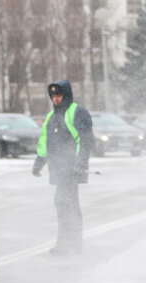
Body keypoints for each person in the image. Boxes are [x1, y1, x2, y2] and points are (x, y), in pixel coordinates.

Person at [32, 79, 93, 255]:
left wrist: (80, 163)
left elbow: (85, 139)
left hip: (72, 169)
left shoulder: (76, 112)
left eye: (59, 95)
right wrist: (39, 162)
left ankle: (73, 244)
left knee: (68, 204)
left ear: (66, 95)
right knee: (62, 204)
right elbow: (45, 142)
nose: (56, 99)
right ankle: (65, 243)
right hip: (58, 169)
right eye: (53, 96)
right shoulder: (51, 117)